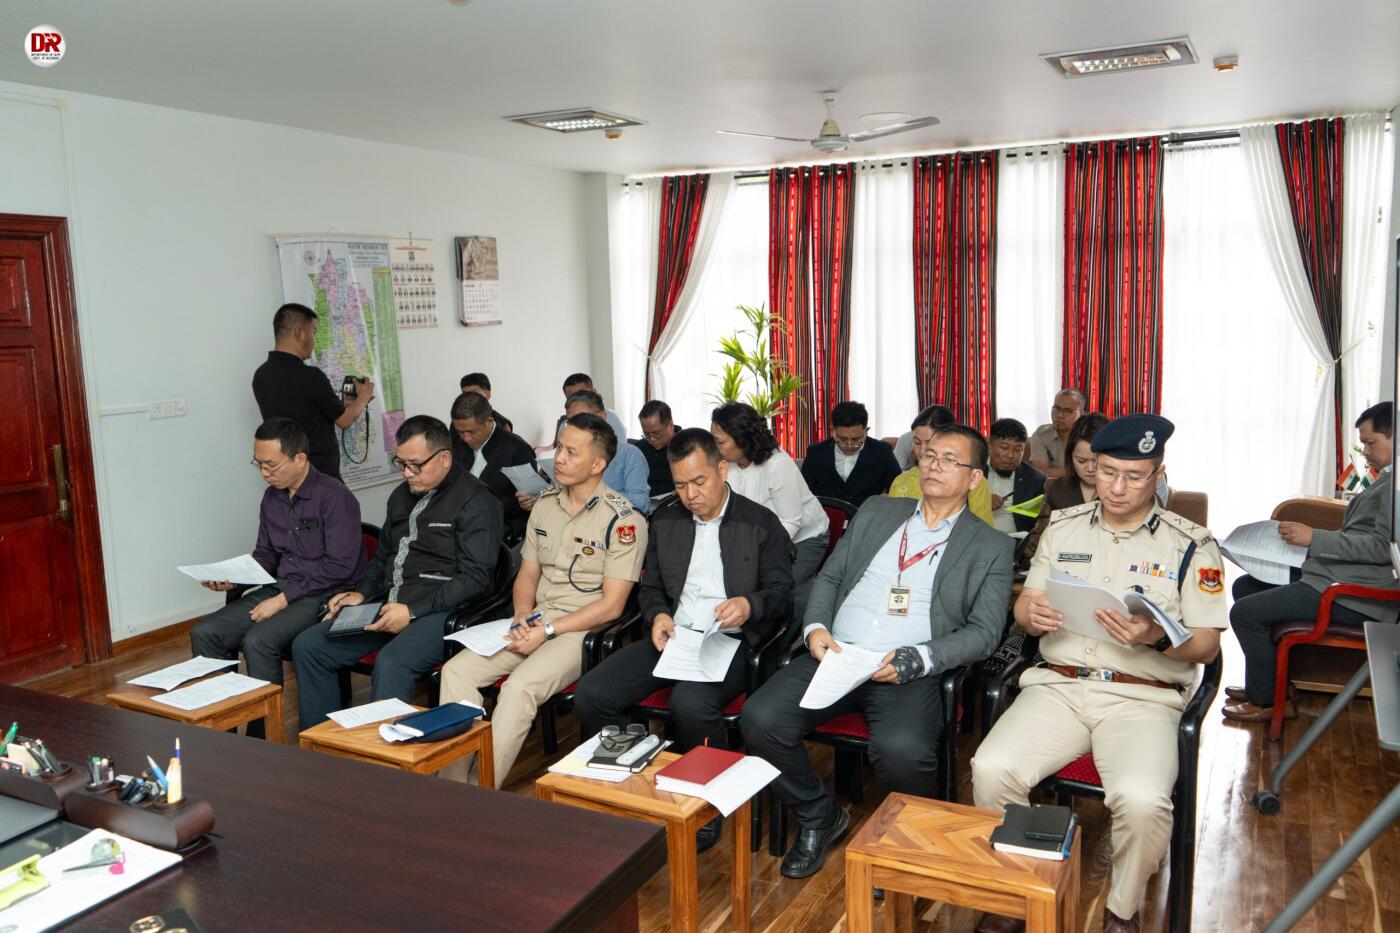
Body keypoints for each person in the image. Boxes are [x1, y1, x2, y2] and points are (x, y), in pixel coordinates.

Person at [971, 414, 1226, 933]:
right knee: (991, 768)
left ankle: (1121, 911)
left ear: (1158, 475)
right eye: (1107, 472)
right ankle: (1020, 891)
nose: (1117, 487)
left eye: (1134, 476)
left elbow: (1207, 646)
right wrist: (1031, 615)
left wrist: (1155, 636)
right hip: (1058, 686)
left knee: (1142, 801)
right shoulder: (1064, 525)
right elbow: (1025, 608)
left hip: (1142, 697)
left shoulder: (1192, 544)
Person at [743, 424, 1013, 879]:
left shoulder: (990, 546)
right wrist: (815, 627)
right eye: (930, 455)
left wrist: (919, 657)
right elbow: (830, 577)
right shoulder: (878, 511)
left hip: (906, 668)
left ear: (974, 479)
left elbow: (986, 632)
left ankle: (905, 845)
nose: (934, 465)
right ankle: (819, 815)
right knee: (760, 719)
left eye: (950, 460)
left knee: (903, 751)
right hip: (837, 653)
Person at [573, 428, 793, 850]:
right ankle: (640, 777)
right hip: (674, 636)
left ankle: (705, 802)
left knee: (690, 704)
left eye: (699, 481)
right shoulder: (667, 519)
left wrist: (749, 604)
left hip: (731, 641)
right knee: (592, 694)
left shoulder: (759, 523)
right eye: (679, 485)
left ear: (722, 470)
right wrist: (657, 615)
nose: (690, 494)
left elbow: (783, 595)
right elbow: (652, 587)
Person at [440, 413, 646, 787]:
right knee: (457, 671)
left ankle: (480, 791)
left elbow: (612, 606)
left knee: (519, 689)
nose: (558, 459)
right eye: (559, 448)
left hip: (581, 629)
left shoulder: (624, 520)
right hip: (536, 619)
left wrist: (547, 631)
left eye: (571, 452)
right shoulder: (545, 505)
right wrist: (522, 614)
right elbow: (528, 574)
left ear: (597, 464)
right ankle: (451, 785)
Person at [291, 416, 503, 729]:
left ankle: (385, 755)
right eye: (400, 463)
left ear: (444, 458)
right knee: (309, 645)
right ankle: (322, 745)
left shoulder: (476, 500)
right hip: (390, 601)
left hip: (443, 611)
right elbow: (383, 557)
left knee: (392, 663)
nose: (406, 473)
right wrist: (361, 593)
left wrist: (412, 612)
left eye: (415, 465)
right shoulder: (401, 496)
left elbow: (475, 578)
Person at [1224, 402, 1399, 723]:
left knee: (1244, 614)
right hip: (1339, 579)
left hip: (1356, 596)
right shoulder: (1388, 480)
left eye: (1371, 443)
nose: (1366, 452)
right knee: (1246, 587)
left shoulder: (1396, 486)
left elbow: (1381, 548)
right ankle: (1272, 685)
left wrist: (1314, 538)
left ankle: (1268, 702)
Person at [191, 418, 366, 736]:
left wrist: (284, 599)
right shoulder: (272, 498)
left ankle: (262, 739)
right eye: (257, 464)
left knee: (259, 641)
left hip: (323, 594)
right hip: (281, 588)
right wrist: (234, 579)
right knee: (206, 633)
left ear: (300, 458)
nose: (264, 473)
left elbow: (340, 567)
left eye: (270, 465)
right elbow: (266, 555)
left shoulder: (334, 497)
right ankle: (221, 734)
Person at [710, 403, 829, 622]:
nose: (715, 448)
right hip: (760, 536)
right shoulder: (728, 463)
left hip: (805, 537)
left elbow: (792, 522)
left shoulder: (777, 465)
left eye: (720, 442)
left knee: (781, 588)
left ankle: (791, 635)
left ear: (742, 439)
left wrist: (758, 554)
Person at [252, 302, 375, 481]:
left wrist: (345, 405)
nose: (314, 339)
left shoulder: (260, 375)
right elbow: (345, 420)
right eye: (314, 331)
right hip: (320, 476)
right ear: (300, 333)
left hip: (287, 474)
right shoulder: (310, 376)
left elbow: (302, 411)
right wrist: (363, 396)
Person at [449, 391, 537, 545]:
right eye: (460, 432)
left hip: (500, 530)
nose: (466, 438)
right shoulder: (459, 446)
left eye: (471, 432)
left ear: (489, 421)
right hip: (461, 525)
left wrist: (481, 506)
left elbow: (530, 499)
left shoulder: (516, 448)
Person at [1021, 412, 1109, 561]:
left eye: (1096, 461)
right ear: (1070, 456)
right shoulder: (1058, 489)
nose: (1090, 468)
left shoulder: (1121, 492)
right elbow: (1039, 542)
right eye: (1081, 461)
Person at [889, 405, 994, 526]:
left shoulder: (971, 480)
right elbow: (892, 527)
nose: (922, 451)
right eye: (917, 442)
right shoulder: (902, 482)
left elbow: (983, 530)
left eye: (929, 443)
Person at [560, 390, 651, 512]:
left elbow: (640, 503)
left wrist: (601, 498)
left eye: (581, 420)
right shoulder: (565, 455)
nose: (575, 428)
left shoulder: (629, 455)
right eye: (570, 422)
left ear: (601, 417)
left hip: (612, 519)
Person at [800, 401, 903, 508]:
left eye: (856, 439)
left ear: (866, 431)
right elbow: (804, 494)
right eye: (843, 439)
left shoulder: (882, 452)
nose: (849, 445)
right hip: (824, 516)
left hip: (869, 515)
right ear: (832, 431)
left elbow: (900, 487)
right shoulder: (816, 453)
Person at [984, 418, 1046, 536]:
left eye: (1018, 449)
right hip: (977, 538)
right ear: (990, 445)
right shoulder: (973, 471)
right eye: (1004, 447)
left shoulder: (1035, 479)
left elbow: (1039, 521)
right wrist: (983, 504)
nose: (1010, 455)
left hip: (1016, 540)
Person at [1027, 389, 1086, 480]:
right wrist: (1077, 471)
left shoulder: (1089, 435)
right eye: (1057, 408)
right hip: (1052, 485)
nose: (1060, 415)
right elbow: (1041, 472)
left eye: (1068, 411)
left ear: (1081, 414)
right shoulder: (1041, 435)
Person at [632, 400, 680, 498]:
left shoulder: (688, 446)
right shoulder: (638, 450)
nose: (652, 439)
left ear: (670, 425)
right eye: (646, 434)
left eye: (656, 433)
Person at [559, 372, 626, 439]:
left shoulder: (612, 419)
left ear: (594, 392)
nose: (576, 400)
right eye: (571, 398)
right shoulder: (565, 425)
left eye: (582, 395)